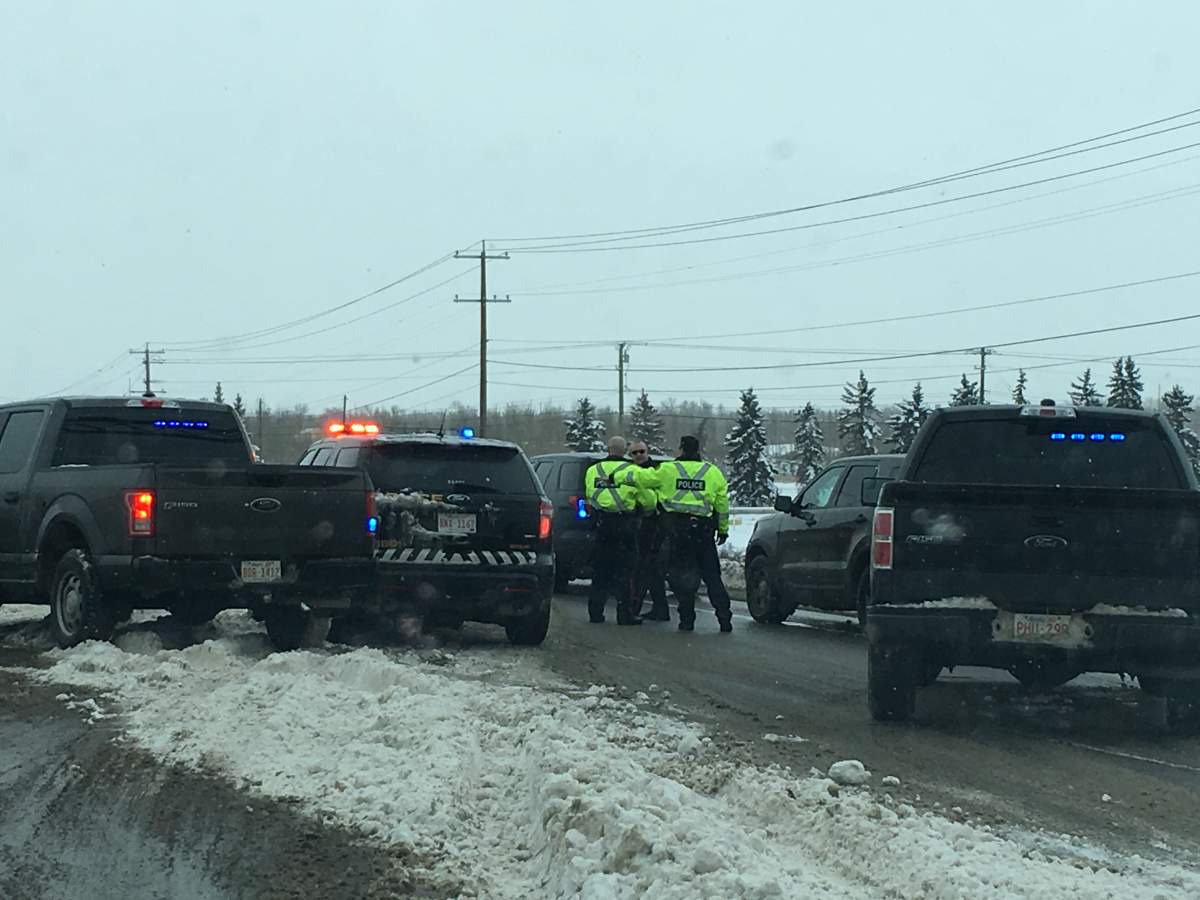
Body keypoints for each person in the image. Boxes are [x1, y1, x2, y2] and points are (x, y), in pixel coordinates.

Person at [658, 434, 733, 633]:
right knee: (712, 577)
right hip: (703, 532)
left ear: (681, 449)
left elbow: (648, 487)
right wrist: (723, 529)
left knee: (683, 576)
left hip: (678, 533)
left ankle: (687, 620)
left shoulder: (667, 470)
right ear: (698, 450)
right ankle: (724, 618)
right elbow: (722, 505)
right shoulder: (712, 472)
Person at [583, 436, 655, 625]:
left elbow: (589, 494)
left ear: (608, 449)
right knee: (626, 571)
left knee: (601, 570)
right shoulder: (631, 470)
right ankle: (625, 613)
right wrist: (645, 510)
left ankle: (595, 612)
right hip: (625, 526)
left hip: (602, 525)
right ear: (625, 451)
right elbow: (648, 500)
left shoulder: (593, 471)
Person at [629, 440, 670, 621]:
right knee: (643, 569)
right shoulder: (628, 471)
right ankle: (651, 607)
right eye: (635, 452)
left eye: (641, 451)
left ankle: (643, 608)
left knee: (648, 568)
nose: (639, 455)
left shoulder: (658, 470)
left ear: (647, 451)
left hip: (655, 524)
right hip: (635, 524)